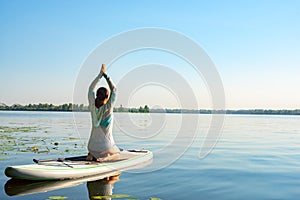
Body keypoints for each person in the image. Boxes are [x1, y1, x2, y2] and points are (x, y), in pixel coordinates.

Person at [87, 64, 120, 162]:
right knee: (118, 153)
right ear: (107, 97)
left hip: (91, 146)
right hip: (105, 147)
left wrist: (99, 75)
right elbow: (114, 90)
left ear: (96, 96)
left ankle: (91, 155)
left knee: (94, 150)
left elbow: (90, 89)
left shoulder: (92, 106)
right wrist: (106, 75)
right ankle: (105, 157)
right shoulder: (108, 107)